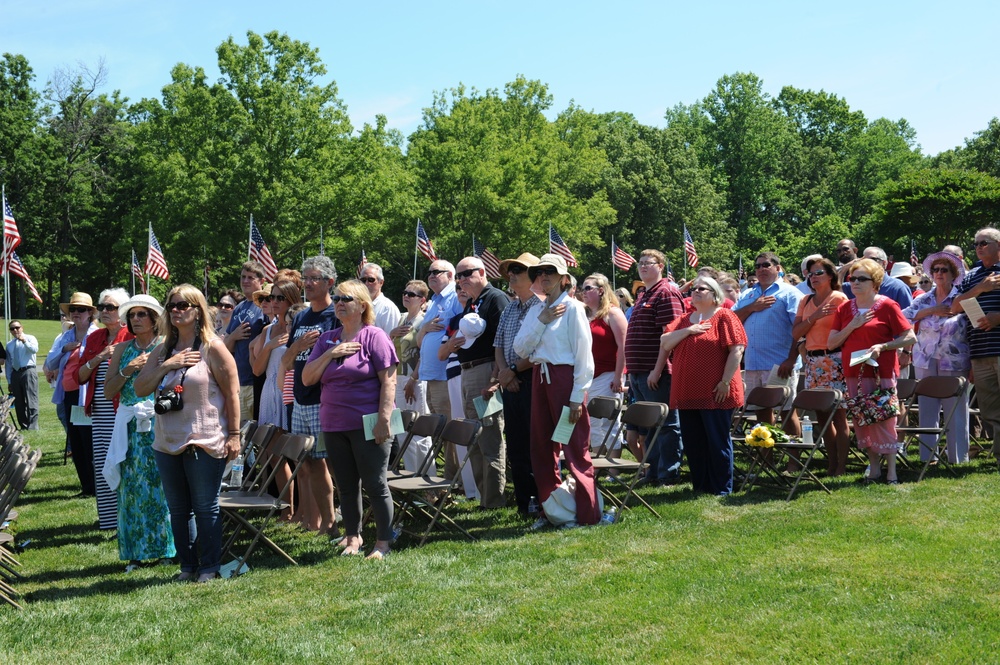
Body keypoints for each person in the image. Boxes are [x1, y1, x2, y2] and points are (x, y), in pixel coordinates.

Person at [134, 284, 241, 582]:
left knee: (205, 507)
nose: (177, 310)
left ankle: (209, 567)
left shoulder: (212, 347)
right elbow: (140, 388)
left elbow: (232, 393)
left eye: (183, 305)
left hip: (204, 440)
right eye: (172, 306)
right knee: (178, 510)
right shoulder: (163, 348)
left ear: (197, 310)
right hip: (166, 442)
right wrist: (168, 364)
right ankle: (187, 566)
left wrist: (234, 434)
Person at [302, 280, 397, 560]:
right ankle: (352, 537)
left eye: (347, 298)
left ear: (362, 305)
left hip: (367, 423)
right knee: (345, 485)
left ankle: (383, 543)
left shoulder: (374, 336)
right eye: (337, 298)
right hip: (333, 425)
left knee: (375, 483)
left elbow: (389, 381)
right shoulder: (327, 339)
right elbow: (308, 378)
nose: (340, 302)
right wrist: (331, 354)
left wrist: (383, 419)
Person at [513, 254, 599, 526]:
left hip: (564, 379)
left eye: (551, 271)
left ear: (564, 278)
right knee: (540, 447)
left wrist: (577, 398)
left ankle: (589, 513)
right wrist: (542, 320)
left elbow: (584, 356)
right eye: (540, 272)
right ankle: (552, 511)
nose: (545, 276)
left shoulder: (573, 308)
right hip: (541, 377)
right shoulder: (537, 310)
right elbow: (520, 348)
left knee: (574, 447)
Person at [103, 294, 175, 571]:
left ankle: (168, 548)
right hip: (130, 428)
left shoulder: (166, 347)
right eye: (132, 315)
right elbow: (110, 391)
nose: (135, 319)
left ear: (155, 319)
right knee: (131, 488)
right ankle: (135, 552)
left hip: (159, 421)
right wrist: (127, 370)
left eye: (141, 314)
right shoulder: (122, 350)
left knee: (161, 485)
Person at [829, 259, 915, 484]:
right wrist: (853, 325)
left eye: (861, 279)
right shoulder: (845, 308)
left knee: (885, 418)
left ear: (875, 283)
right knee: (863, 418)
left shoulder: (887, 305)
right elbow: (831, 343)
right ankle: (874, 470)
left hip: (882, 372)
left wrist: (883, 346)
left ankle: (892, 472)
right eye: (852, 278)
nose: (855, 283)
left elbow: (909, 336)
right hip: (854, 373)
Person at [660, 276, 746, 495]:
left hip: (716, 390)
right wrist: (689, 330)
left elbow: (737, 349)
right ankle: (701, 486)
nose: (696, 291)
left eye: (702, 288)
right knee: (694, 443)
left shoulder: (724, 316)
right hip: (688, 391)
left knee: (717, 441)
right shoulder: (685, 319)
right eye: (694, 288)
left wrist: (725, 381)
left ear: (715, 294)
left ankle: (721, 488)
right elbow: (665, 342)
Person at [442, 256, 509, 508]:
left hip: (486, 372)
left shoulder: (495, 298)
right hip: (467, 372)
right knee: (476, 438)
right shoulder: (472, 301)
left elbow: (503, 341)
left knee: (490, 436)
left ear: (482, 272)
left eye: (466, 274)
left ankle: (494, 500)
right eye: (458, 276)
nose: (461, 281)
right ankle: (484, 497)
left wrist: (495, 377)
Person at [282, 256, 339, 535]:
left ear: (330, 282)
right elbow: (288, 361)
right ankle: (327, 523)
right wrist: (298, 346)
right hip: (300, 399)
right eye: (305, 278)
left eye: (314, 278)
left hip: (325, 399)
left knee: (335, 463)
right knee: (312, 463)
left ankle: (348, 522)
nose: (308, 283)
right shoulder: (302, 316)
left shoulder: (336, 315)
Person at [623, 249, 685, 485]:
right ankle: (653, 471)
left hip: (657, 372)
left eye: (649, 262)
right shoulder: (643, 294)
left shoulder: (667, 292)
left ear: (661, 266)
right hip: (639, 372)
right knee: (648, 427)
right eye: (641, 263)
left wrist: (658, 369)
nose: (643, 266)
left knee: (666, 425)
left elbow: (669, 336)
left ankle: (668, 474)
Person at [902, 251, 970, 464]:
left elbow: (978, 322)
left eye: (944, 270)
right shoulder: (924, 298)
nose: (939, 273)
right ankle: (927, 456)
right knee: (927, 407)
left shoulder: (962, 297)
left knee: (955, 408)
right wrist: (931, 310)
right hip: (925, 359)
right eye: (936, 270)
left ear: (953, 274)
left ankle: (957, 457)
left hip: (954, 360)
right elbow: (903, 316)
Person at [78, 288, 134, 530]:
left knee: (123, 460)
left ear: (122, 312)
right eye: (102, 306)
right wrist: (99, 357)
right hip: (99, 411)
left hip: (122, 408)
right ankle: (110, 521)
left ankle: (128, 517)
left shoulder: (130, 337)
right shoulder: (95, 338)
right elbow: (79, 375)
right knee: (102, 463)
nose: (104, 311)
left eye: (110, 307)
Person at [791, 258, 850, 476]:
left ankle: (841, 466)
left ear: (830, 276)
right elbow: (796, 333)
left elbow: (847, 331)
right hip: (813, 363)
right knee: (822, 417)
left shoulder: (839, 298)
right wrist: (814, 317)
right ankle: (831, 464)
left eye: (818, 273)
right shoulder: (805, 301)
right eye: (811, 274)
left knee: (839, 415)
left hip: (834, 360)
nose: (813, 277)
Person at [493, 252, 541, 515]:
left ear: (533, 276)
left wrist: (511, 371)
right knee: (516, 444)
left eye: (518, 271)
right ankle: (524, 502)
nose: (511, 275)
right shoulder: (510, 306)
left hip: (533, 380)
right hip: (509, 380)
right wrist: (504, 372)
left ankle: (540, 498)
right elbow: (498, 344)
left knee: (536, 444)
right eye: (510, 271)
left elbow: (539, 350)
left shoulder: (542, 307)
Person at [407, 260, 464, 482]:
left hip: (445, 374)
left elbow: (460, 328)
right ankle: (451, 478)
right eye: (429, 272)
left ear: (450, 275)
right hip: (430, 375)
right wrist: (425, 331)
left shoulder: (454, 297)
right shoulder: (435, 301)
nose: (431, 275)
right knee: (443, 430)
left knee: (451, 429)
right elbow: (420, 341)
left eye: (436, 272)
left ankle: (454, 480)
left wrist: (425, 332)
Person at [734, 252, 804, 436]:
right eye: (757, 266)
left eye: (766, 265)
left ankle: (793, 462)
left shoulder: (790, 293)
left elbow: (800, 329)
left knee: (787, 412)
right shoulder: (748, 294)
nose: (761, 269)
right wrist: (752, 307)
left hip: (780, 365)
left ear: (778, 268)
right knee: (761, 412)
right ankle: (767, 458)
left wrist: (791, 359)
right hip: (753, 363)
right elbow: (732, 320)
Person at [49, 292, 100, 497]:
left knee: (89, 442)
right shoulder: (65, 337)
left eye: (81, 309)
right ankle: (86, 486)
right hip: (69, 395)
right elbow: (50, 364)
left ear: (90, 313)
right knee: (76, 443)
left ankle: (97, 487)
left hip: (87, 394)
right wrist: (64, 349)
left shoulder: (96, 335)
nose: (76, 313)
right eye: (73, 310)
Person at [580, 273, 627, 452]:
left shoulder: (612, 313)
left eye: (588, 288)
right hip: (588, 375)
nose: (583, 292)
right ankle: (599, 465)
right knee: (592, 422)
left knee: (608, 422)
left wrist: (618, 377)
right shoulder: (584, 314)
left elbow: (623, 347)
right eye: (582, 288)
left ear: (601, 291)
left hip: (608, 375)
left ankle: (613, 470)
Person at [389, 279, 431, 472]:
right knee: (402, 430)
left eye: (411, 294)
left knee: (419, 430)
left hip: (415, 379)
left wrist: (413, 379)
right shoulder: (401, 318)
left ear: (422, 300)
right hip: (398, 379)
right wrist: (391, 333)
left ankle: (427, 480)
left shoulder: (425, 320)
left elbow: (425, 353)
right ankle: (410, 474)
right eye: (405, 292)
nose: (406, 296)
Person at [250, 280, 301, 431]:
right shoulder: (267, 329)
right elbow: (257, 371)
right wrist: (269, 346)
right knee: (268, 446)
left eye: (280, 298)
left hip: (289, 389)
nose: (274, 302)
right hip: (268, 390)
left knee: (289, 444)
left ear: (291, 299)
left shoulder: (297, 327)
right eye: (272, 297)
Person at [224, 261, 268, 420]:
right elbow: (226, 347)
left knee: (255, 432)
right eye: (243, 277)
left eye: (251, 278)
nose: (245, 281)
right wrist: (234, 336)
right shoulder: (239, 307)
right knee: (240, 431)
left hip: (256, 380)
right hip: (238, 380)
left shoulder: (265, 305)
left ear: (262, 281)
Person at [5, 320, 39, 430]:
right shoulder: (9, 345)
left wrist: (24, 341)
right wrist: (9, 381)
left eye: (17, 327)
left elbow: (34, 350)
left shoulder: (30, 338)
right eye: (12, 329)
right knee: (18, 402)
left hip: (28, 371)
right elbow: (9, 364)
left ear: (22, 327)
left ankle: (33, 427)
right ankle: (23, 426)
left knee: (31, 400)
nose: (15, 330)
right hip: (15, 373)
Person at [359, 263, 402, 337]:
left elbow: (391, 340)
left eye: (371, 280)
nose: (366, 283)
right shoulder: (357, 305)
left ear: (381, 282)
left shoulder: (387, 308)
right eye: (363, 280)